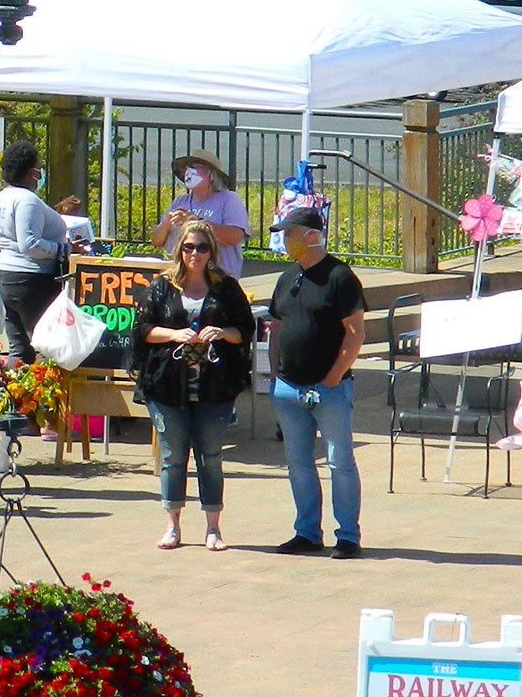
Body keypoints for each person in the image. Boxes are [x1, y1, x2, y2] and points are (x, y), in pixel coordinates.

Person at [133, 218, 256, 552]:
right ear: (180, 250)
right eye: (188, 247)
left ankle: (213, 528)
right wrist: (174, 334)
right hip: (167, 385)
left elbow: (245, 329)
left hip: (214, 386)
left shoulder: (225, 287)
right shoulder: (162, 287)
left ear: (211, 251)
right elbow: (142, 328)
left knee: (210, 456)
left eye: (202, 247)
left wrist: (223, 333)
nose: (195, 254)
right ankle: (172, 526)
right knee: (173, 456)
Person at [268, 206, 366, 559]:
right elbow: (276, 326)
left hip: (330, 389)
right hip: (289, 388)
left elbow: (355, 333)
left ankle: (348, 536)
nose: (285, 239)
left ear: (311, 236)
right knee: (298, 462)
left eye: (291, 233)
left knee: (339, 461)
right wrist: (275, 369)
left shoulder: (339, 277)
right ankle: (307, 532)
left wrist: (332, 378)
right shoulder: (287, 276)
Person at [0, 140, 69, 367]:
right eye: (38, 167)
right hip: (32, 281)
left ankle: (15, 400)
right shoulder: (27, 200)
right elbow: (29, 244)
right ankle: (44, 398)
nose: (40, 172)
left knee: (18, 349)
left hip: (2, 278)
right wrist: (64, 249)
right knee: (45, 346)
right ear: (30, 171)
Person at [150, 152, 251, 278]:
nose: (188, 171)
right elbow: (156, 241)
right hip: (178, 278)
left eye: (194, 167)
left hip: (216, 281)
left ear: (211, 175)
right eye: (186, 168)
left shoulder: (229, 199)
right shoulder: (180, 202)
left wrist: (196, 222)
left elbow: (233, 236)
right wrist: (167, 222)